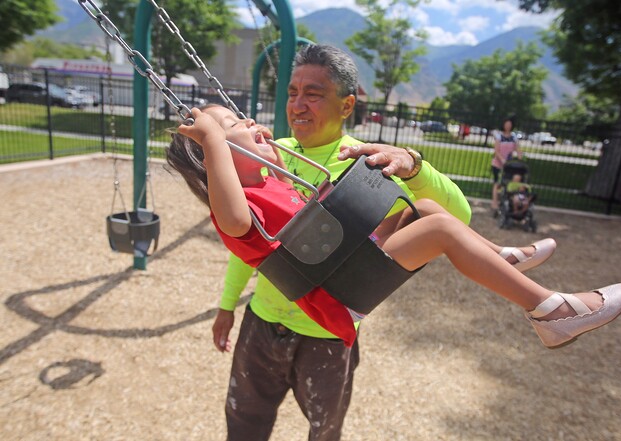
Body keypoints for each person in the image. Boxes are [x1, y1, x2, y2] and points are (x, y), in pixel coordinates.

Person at [202, 44, 556, 441]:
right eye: (292, 93)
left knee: (324, 430)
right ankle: (523, 278)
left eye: (313, 94)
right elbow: (249, 241)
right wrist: (227, 304)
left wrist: (416, 165)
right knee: (244, 423)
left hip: (325, 334)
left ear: (346, 104)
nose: (298, 105)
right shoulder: (269, 155)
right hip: (263, 321)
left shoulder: (366, 161)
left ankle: (508, 264)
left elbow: (458, 217)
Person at [169, 103, 621, 350]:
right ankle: (553, 313)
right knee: (441, 234)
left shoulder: (274, 182)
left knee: (425, 211)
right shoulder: (233, 209)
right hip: (334, 296)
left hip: (342, 264)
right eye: (231, 124)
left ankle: (497, 255)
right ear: (210, 158)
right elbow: (233, 217)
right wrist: (210, 135)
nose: (249, 121)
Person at [491, 117, 522, 215]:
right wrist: (502, 160)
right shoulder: (499, 136)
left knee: (509, 182)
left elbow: (517, 148)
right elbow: (496, 151)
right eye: (506, 124)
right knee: (498, 183)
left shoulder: (513, 137)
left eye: (509, 124)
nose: (508, 126)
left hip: (509, 165)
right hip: (498, 164)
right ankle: (495, 203)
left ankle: (507, 201)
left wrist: (520, 157)